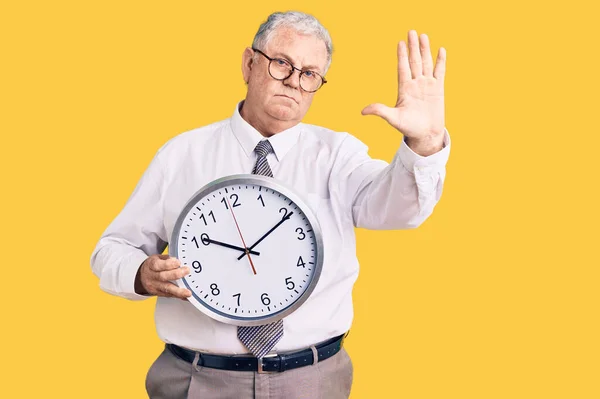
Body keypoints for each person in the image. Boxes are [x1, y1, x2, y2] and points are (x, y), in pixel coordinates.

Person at [90, 10, 450, 399]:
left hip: (313, 380)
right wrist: (141, 274)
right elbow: (110, 251)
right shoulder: (179, 155)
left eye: (310, 74)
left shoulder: (338, 155)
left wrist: (425, 143)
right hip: (197, 380)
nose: (294, 82)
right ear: (248, 63)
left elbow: (401, 209)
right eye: (282, 64)